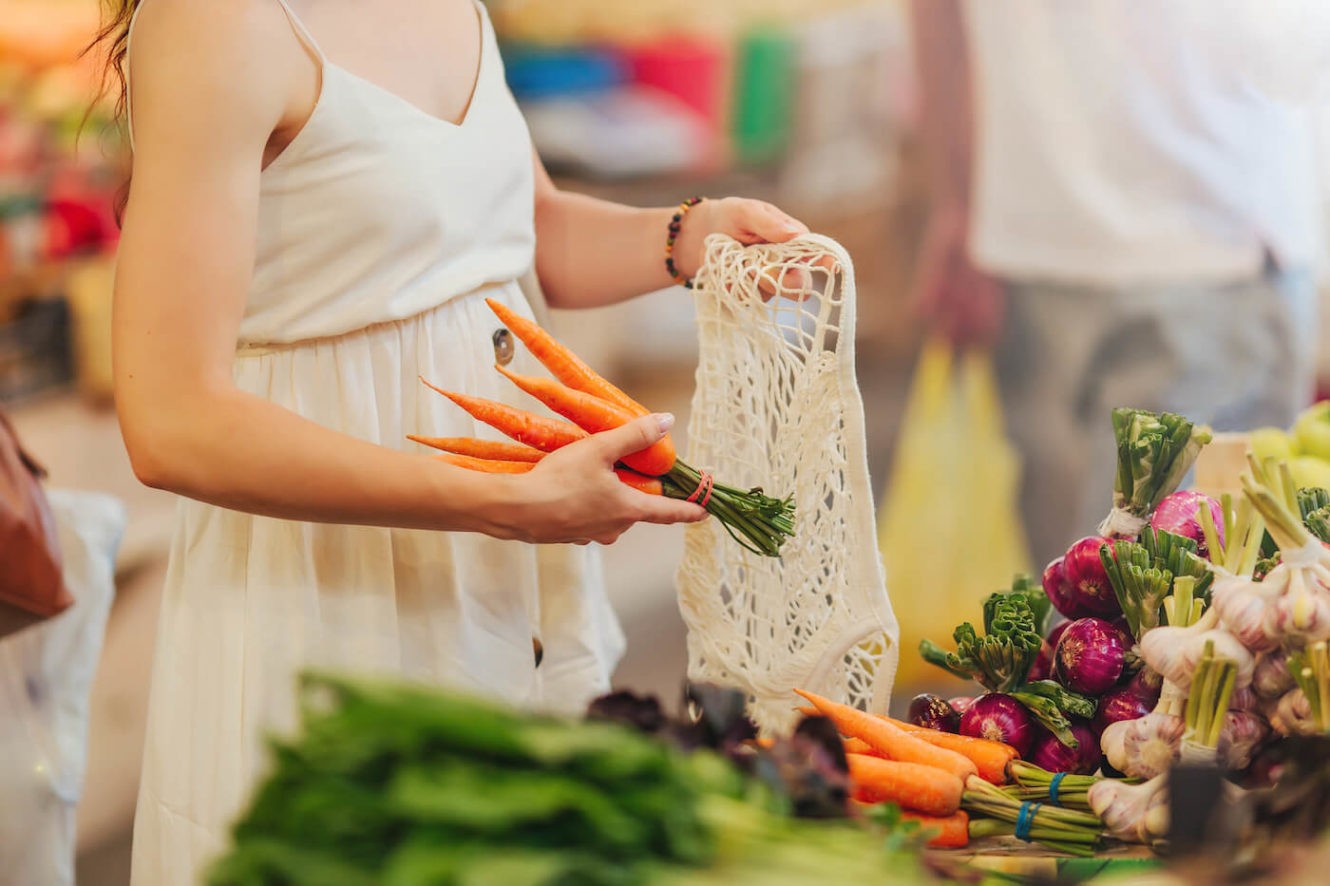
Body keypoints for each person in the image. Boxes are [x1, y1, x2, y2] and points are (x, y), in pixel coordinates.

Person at [95, 0, 810, 879]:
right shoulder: (219, 21)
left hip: (502, 570)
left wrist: (689, 236)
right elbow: (172, 421)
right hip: (331, 582)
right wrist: (501, 502)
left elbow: (520, 233)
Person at [910, 0, 1327, 569]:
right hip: (1211, 235)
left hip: (1030, 230)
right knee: (1190, 618)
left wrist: (955, 203)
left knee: (1084, 608)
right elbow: (1288, 50)